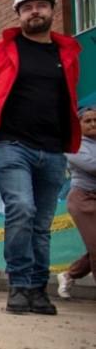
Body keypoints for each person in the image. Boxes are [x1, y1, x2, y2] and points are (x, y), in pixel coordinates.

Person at [0, 0, 80, 315]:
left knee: (41, 223)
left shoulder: (66, 54)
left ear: (52, 10)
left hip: (52, 149)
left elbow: (67, 98)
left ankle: (37, 289)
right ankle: (18, 285)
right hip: (10, 144)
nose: (35, 11)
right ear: (18, 14)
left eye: (41, 5)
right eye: (28, 7)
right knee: (21, 208)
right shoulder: (0, 51)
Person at [58, 106, 96, 299]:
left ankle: (69, 274)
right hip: (83, 199)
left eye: (95, 120)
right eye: (87, 121)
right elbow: (92, 166)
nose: (93, 124)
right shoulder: (74, 144)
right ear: (79, 125)